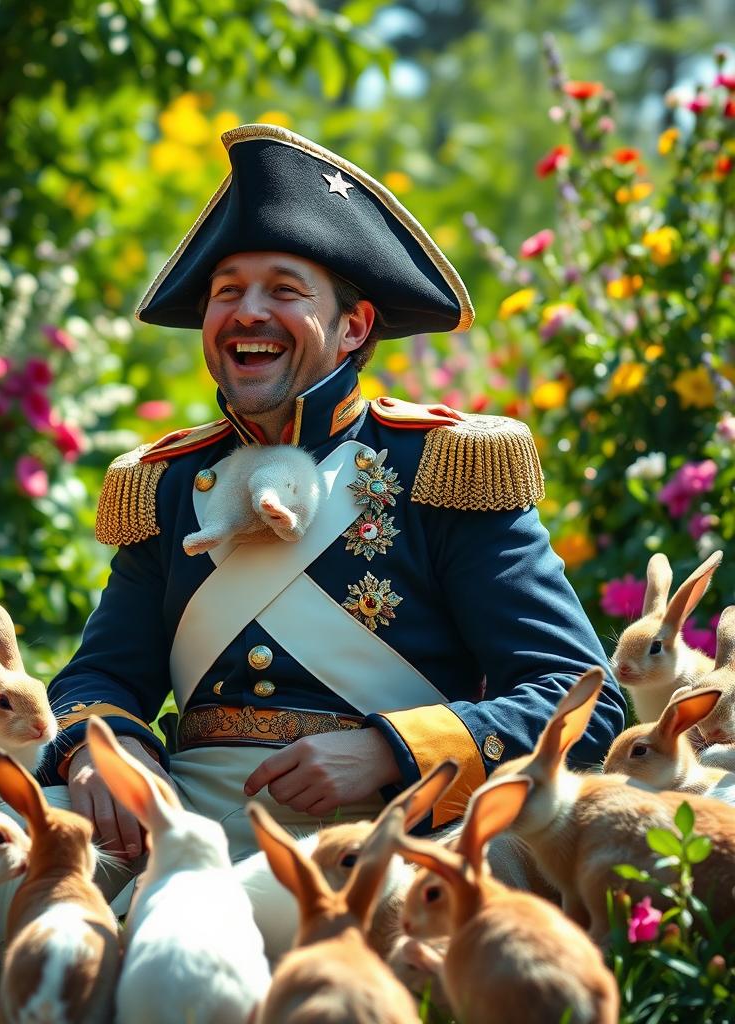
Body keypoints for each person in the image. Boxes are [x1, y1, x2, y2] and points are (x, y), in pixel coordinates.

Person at [36, 123, 626, 881]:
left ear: (353, 327)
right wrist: (101, 749)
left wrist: (389, 750)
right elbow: (101, 676)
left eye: (283, 290)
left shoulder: (445, 465)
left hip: (385, 840)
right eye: (227, 292)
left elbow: (580, 701)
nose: (247, 312)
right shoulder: (170, 483)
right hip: (181, 834)